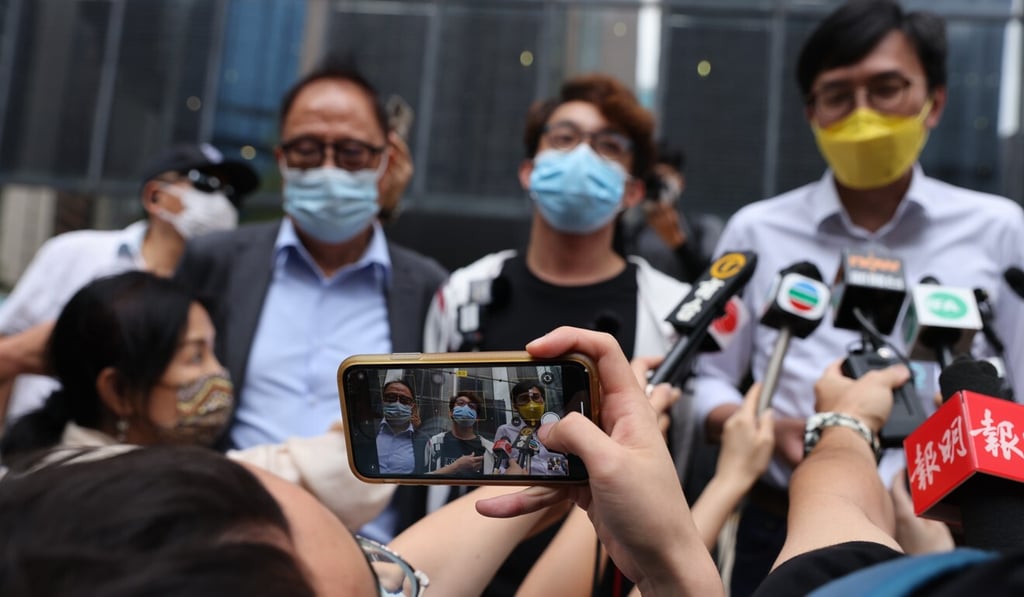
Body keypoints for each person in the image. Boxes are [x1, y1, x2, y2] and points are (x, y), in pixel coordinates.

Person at [690, 1, 1024, 593]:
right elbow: (704, 377)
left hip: (960, 526)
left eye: (887, 88)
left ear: (934, 101)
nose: (862, 114)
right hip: (784, 518)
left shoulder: (1000, 231)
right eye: (838, 95)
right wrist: (762, 425)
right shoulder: (756, 232)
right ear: (812, 112)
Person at [423, 72, 686, 595]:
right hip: (464, 570)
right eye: (563, 138)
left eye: (608, 145)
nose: (582, 155)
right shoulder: (464, 294)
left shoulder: (673, 311)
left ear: (632, 190)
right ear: (529, 170)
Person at [173, 61, 446, 541]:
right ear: (280, 159)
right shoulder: (216, 263)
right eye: (306, 150)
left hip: (375, 562)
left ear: (387, 160)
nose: (327, 168)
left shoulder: (428, 290)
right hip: (222, 539)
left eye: (352, 152)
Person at [0, 271, 392, 530]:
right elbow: (339, 474)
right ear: (118, 391)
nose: (217, 373)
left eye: (213, 352)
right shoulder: (156, 492)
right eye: (194, 356)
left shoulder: (38, 471)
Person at [0, 142, 259, 426]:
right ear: (155, 196)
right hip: (35, 452)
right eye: (206, 184)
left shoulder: (227, 290)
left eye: (232, 195)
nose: (221, 202)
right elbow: (8, 350)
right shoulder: (74, 254)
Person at [615, 142, 723, 284]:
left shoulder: (703, 229)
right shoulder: (629, 233)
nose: (656, 187)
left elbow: (714, 285)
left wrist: (680, 245)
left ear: (680, 183)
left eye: (663, 178)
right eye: (651, 180)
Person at [492, 381, 568, 477]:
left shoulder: (555, 427)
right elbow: (499, 467)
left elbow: (558, 462)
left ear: (543, 400)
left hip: (558, 484)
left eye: (535, 397)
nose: (531, 404)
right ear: (515, 406)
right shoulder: (505, 431)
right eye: (524, 399)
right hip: (524, 487)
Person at [425, 390, 495, 475]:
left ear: (477, 418)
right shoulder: (435, 443)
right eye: (461, 403)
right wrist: (457, 466)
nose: (466, 408)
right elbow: (425, 481)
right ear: (450, 413)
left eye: (471, 406)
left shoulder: (489, 449)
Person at [376, 379, 429, 475]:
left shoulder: (423, 440)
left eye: (404, 400)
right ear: (383, 400)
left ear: (412, 406)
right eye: (391, 397)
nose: (397, 403)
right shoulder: (367, 431)